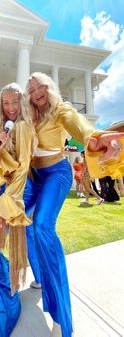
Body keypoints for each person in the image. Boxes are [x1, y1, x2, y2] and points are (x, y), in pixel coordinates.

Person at [21, 72, 124, 337]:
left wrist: (95, 137)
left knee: (42, 226)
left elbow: (79, 125)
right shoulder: (26, 114)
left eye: (41, 85)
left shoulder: (60, 109)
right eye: (31, 89)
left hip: (56, 173)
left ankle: (61, 317)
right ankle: (41, 278)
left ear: (50, 88)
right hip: (32, 176)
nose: (36, 91)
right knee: (24, 226)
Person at [0, 82, 41, 336]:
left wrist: (9, 200)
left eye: (15, 102)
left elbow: (22, 168)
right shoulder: (6, 130)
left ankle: (7, 300)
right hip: (9, 190)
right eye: (6, 103)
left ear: (22, 103)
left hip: (21, 191)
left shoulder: (23, 126)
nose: (11, 108)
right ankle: (5, 292)